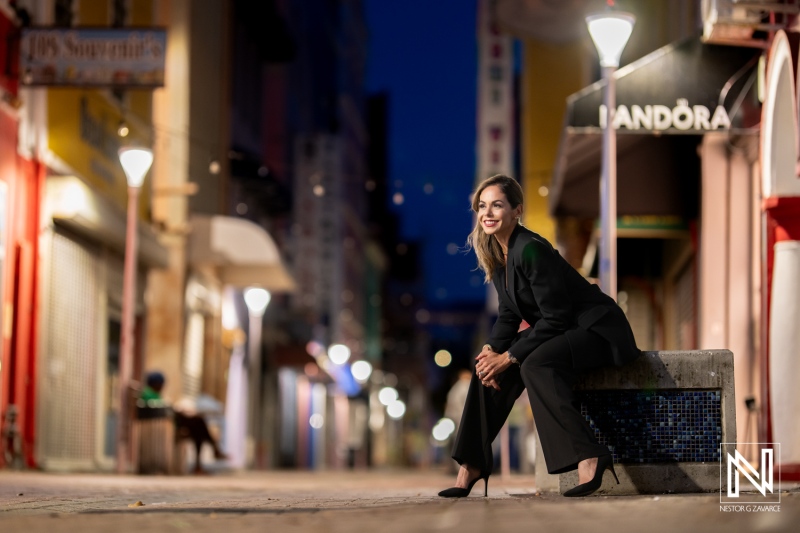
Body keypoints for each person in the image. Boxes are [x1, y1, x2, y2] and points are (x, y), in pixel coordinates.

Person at [438, 174, 641, 498]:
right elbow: (508, 316)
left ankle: (590, 456)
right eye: (482, 206)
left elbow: (557, 316)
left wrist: (509, 356)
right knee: (484, 367)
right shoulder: (498, 254)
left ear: (517, 210)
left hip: (596, 328)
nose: (487, 213)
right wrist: (492, 351)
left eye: (497, 205)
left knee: (535, 365)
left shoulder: (531, 249)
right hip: (564, 327)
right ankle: (471, 465)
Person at [141, 371, 228, 474]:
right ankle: (213, 450)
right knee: (198, 423)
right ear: (156, 383)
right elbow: (162, 410)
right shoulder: (148, 394)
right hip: (163, 427)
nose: (162, 387)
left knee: (198, 430)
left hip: (167, 425)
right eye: (161, 384)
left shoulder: (153, 394)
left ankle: (203, 461)